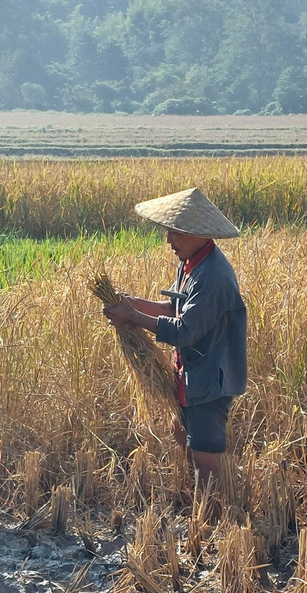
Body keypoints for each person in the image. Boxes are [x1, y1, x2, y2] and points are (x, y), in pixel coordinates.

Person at [104, 187, 247, 512]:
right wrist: (132, 305)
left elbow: (185, 331)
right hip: (191, 374)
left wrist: (134, 318)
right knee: (184, 437)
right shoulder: (191, 264)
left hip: (210, 379)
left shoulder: (212, 276)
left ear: (197, 233)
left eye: (174, 231)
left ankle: (211, 523)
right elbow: (175, 309)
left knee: (204, 453)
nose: (168, 239)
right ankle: (202, 508)